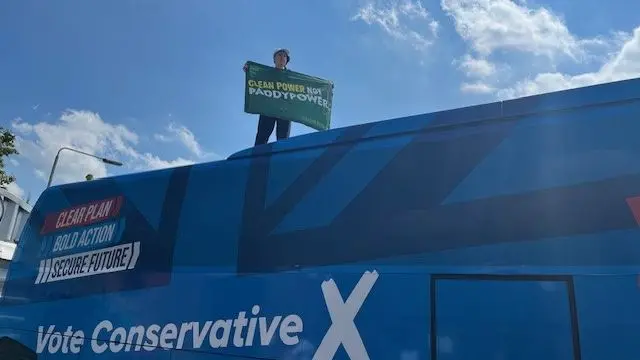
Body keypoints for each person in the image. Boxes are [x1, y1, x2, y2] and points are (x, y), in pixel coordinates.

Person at [244, 48, 293, 146]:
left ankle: (282, 158)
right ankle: (257, 158)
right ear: (274, 59)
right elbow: (254, 76)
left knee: (283, 139)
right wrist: (248, 69)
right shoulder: (265, 74)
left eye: (284, 56)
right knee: (262, 136)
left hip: (284, 110)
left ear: (287, 61)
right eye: (279, 55)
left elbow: (307, 87)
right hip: (268, 108)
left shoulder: (292, 76)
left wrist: (326, 88)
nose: (282, 57)